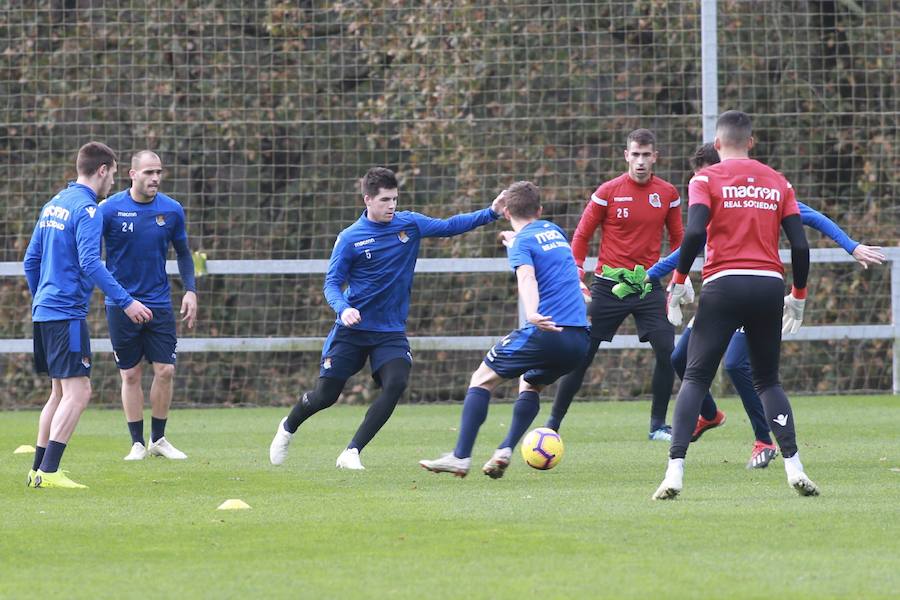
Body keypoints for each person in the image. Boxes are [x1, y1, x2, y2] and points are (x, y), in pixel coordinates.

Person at [650, 143, 885, 469]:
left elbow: (811, 217)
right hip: (722, 292)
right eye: (699, 177)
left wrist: (852, 246)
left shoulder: (755, 192)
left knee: (736, 365)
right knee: (679, 358)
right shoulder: (711, 198)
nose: (703, 182)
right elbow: (684, 250)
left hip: (753, 287)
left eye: (705, 174)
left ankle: (764, 440)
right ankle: (709, 415)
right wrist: (647, 277)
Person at [269, 167, 506, 470]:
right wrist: (344, 308)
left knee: (396, 383)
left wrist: (491, 212)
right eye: (384, 200)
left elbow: (449, 226)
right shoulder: (350, 238)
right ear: (367, 199)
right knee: (325, 396)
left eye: (394, 198)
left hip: (389, 331)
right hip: (351, 330)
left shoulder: (409, 224)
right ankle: (287, 427)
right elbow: (331, 284)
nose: (391, 205)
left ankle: (351, 452)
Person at [653, 110, 818, 500]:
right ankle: (794, 466)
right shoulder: (778, 181)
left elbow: (694, 232)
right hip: (767, 285)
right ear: (752, 141)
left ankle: (674, 472)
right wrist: (798, 294)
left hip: (724, 284)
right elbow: (799, 244)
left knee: (695, 377)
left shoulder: (705, 178)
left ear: (716, 144)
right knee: (768, 380)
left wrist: (677, 281)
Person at [419, 182, 591, 478]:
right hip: (579, 341)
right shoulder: (553, 231)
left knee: (481, 379)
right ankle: (506, 448)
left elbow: (527, 277)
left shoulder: (523, 243)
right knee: (530, 383)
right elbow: (542, 254)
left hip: (547, 331)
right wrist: (513, 239)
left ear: (507, 210)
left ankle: (460, 457)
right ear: (539, 210)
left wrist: (533, 312)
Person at [23, 142, 153, 489]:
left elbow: (30, 262)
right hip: (66, 313)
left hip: (46, 311)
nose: (112, 182)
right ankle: (49, 471)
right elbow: (91, 263)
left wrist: (42, 299)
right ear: (103, 170)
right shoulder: (87, 209)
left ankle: (37, 470)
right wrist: (127, 302)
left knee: (59, 393)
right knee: (79, 393)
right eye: (112, 174)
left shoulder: (54, 204)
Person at [544, 129, 684, 441]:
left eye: (647, 155)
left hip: (647, 285)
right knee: (581, 354)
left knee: (668, 352)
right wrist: (577, 274)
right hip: (607, 286)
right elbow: (581, 236)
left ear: (655, 157)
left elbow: (679, 241)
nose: (641, 161)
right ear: (626, 156)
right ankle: (551, 425)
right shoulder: (608, 192)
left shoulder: (668, 194)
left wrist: (678, 280)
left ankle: (657, 425)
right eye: (635, 154)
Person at [100, 151, 198, 461]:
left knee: (166, 370)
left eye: (158, 172)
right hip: (120, 304)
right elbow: (88, 253)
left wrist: (190, 291)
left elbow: (183, 254)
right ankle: (136, 443)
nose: (155, 178)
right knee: (130, 375)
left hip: (159, 303)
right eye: (148, 172)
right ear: (132, 174)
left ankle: (158, 439)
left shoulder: (171, 210)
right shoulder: (110, 209)